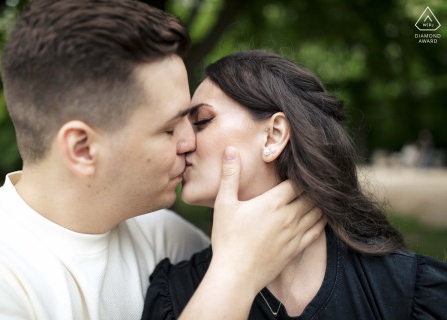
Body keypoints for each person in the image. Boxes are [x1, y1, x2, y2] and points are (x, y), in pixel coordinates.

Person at [0, 2, 324, 319]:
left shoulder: (171, 240)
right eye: (170, 130)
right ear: (83, 149)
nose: (190, 141)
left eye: (194, 119)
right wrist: (235, 274)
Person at [142, 50, 447, 320]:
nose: (183, 142)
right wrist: (233, 275)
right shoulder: (174, 293)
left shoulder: (408, 291)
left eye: (202, 121)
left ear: (273, 135)